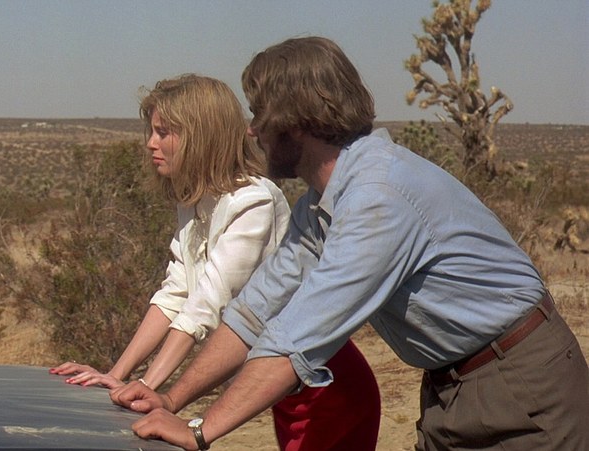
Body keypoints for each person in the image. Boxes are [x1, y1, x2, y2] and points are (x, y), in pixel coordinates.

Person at [111, 37, 589, 451]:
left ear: (294, 121)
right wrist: (171, 399)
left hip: (520, 382)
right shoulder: (322, 205)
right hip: (451, 384)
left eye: (259, 114)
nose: (252, 130)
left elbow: (296, 338)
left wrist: (199, 431)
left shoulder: (377, 198)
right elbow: (254, 313)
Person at [51, 73, 381, 450]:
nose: (150, 143)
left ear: (201, 136)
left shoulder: (252, 202)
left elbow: (207, 304)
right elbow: (176, 292)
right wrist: (117, 375)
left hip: (324, 386)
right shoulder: (196, 201)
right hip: (278, 386)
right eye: (152, 131)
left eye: (163, 133)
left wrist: (151, 388)